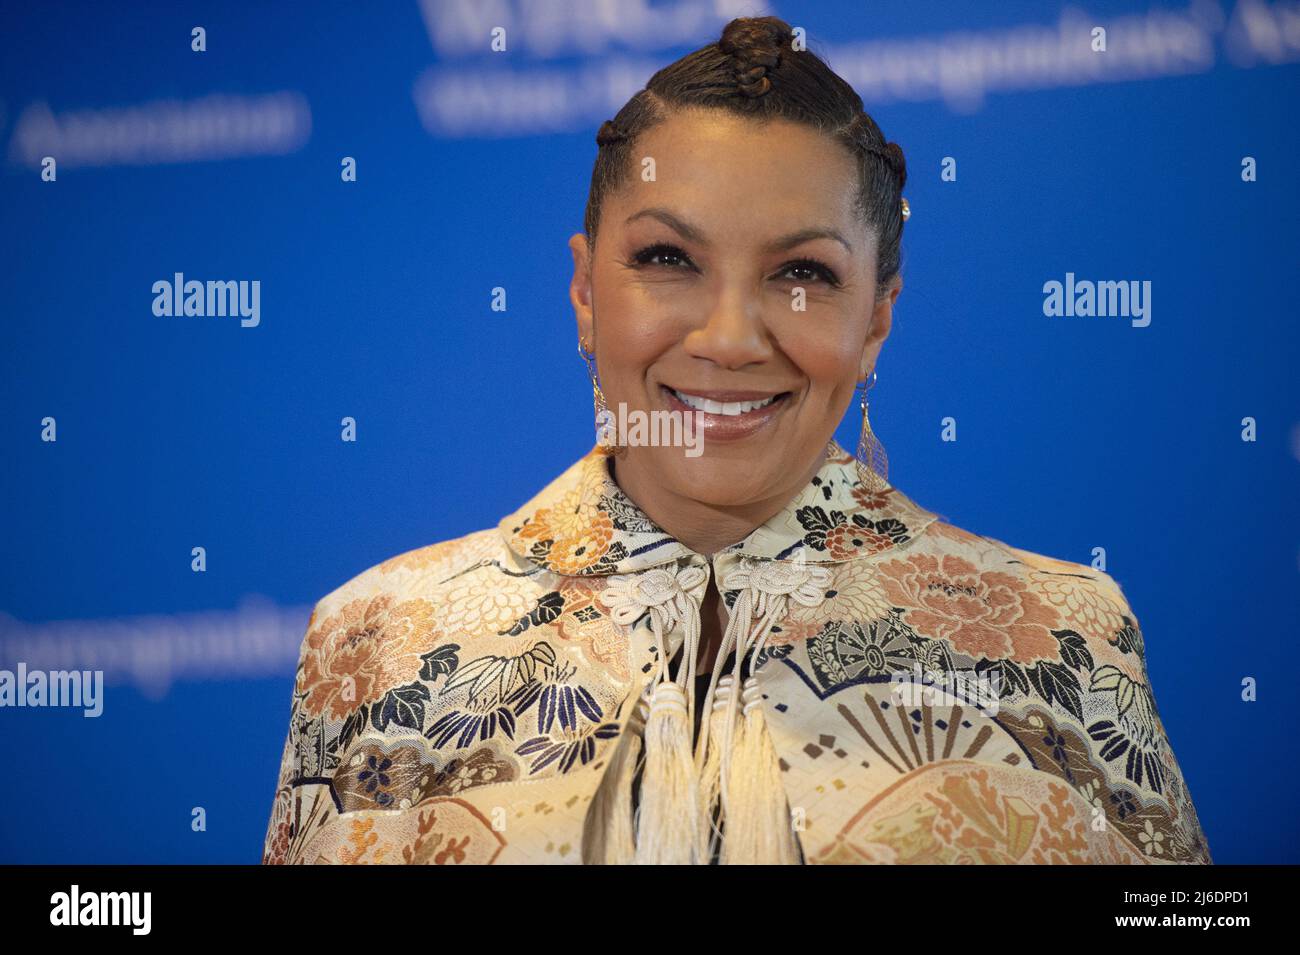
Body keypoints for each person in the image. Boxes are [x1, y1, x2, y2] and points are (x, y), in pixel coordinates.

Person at [262, 15, 1211, 865]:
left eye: (801, 271)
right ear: (586, 291)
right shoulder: (375, 640)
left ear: (877, 317)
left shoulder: (1066, 636)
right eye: (668, 259)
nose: (728, 337)